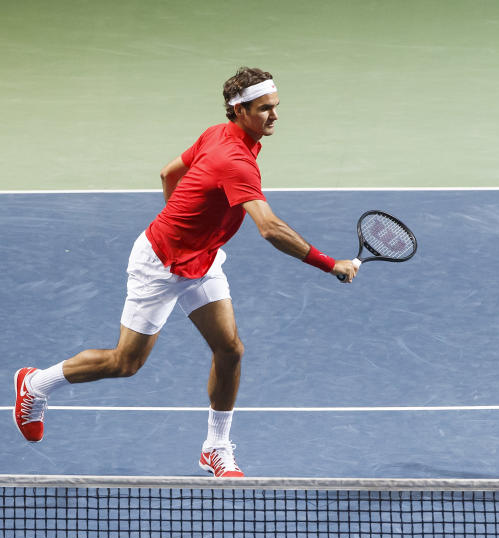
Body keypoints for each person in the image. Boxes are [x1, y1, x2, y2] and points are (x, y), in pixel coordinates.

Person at [13, 67, 358, 477]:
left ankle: (215, 446)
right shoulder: (236, 161)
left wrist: (186, 224)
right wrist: (329, 264)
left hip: (203, 258)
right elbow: (269, 228)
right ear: (240, 109)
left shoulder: (219, 133)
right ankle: (36, 385)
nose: (275, 116)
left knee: (230, 350)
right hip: (159, 265)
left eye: (276, 107)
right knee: (125, 363)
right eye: (265, 109)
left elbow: (168, 173)